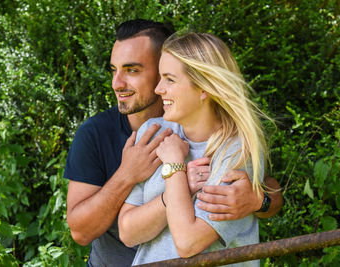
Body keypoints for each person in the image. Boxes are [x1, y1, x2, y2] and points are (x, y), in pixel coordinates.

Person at [64, 20, 282, 267]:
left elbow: (191, 241)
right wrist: (131, 174)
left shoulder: (231, 146)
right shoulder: (110, 133)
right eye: (113, 70)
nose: (117, 83)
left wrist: (259, 199)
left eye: (132, 70)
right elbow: (104, 232)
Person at [118, 32, 272, 266]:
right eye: (160, 77)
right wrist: (180, 186)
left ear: (204, 89)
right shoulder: (154, 132)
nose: (159, 89)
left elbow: (188, 243)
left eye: (170, 79)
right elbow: (127, 232)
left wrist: (173, 166)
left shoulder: (236, 151)